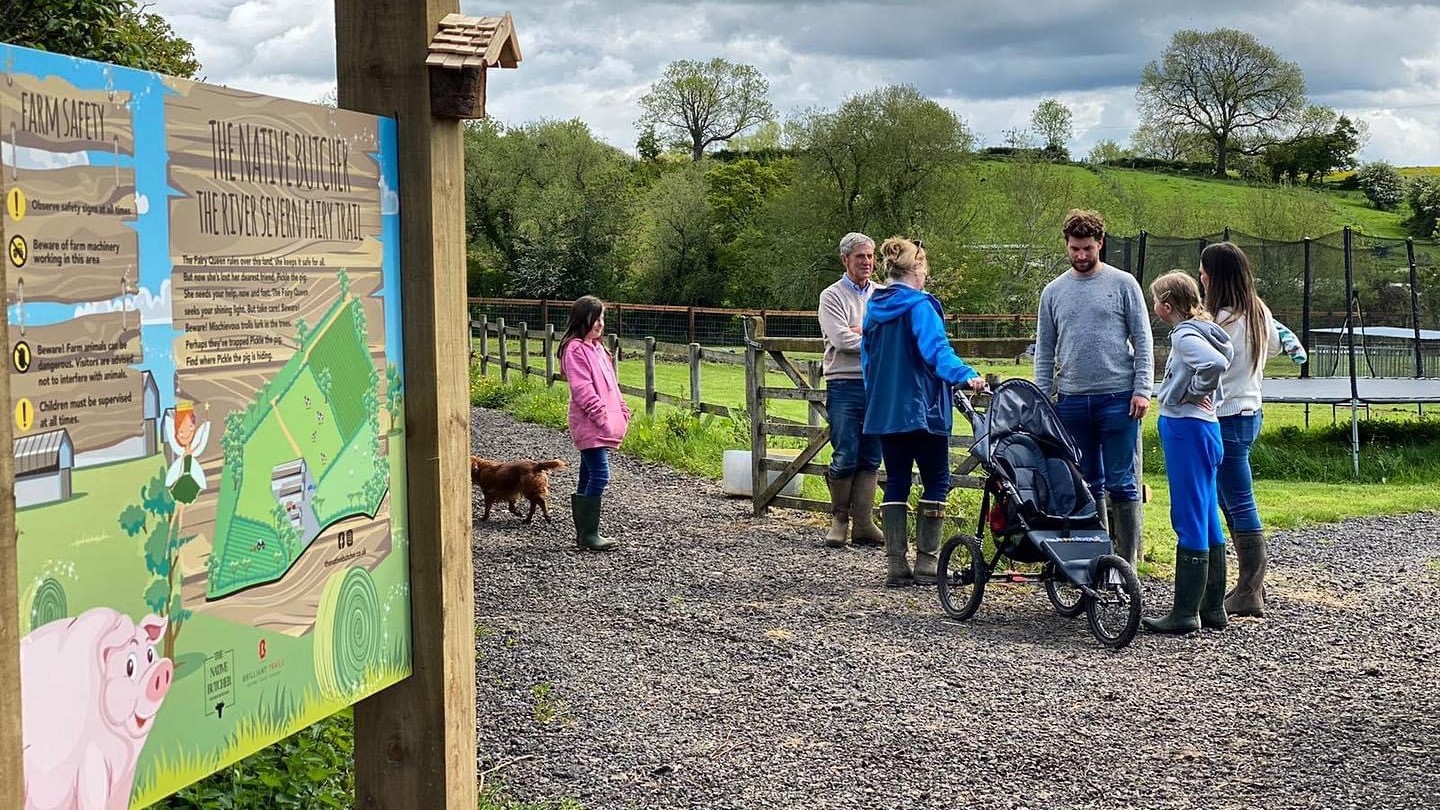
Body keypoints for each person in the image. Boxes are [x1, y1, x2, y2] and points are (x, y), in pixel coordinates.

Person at [862, 238, 987, 587]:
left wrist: (878, 399)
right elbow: (937, 351)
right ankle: (927, 564)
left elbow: (867, 362)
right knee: (936, 480)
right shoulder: (920, 306)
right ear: (917, 270)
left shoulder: (874, 307)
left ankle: (895, 565)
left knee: (897, 480)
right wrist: (966, 375)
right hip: (922, 409)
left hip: (886, 409)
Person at [1034, 209, 1154, 567]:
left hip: (1118, 398)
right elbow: (1045, 349)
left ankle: (1126, 565)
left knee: (1122, 482)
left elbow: (1143, 340)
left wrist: (1142, 388)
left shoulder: (1123, 284)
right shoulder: (1053, 292)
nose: (1081, 255)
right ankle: (1096, 559)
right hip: (1072, 399)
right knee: (1086, 482)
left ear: (1100, 243)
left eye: (1087, 248)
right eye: (1075, 249)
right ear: (1066, 246)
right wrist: (1042, 396)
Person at [1200, 242, 1308, 618]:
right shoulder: (1258, 310)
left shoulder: (1221, 321)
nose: (1201, 278)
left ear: (1215, 277)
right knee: (1229, 498)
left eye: (1204, 272)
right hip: (1251, 411)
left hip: (1227, 415)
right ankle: (1248, 586)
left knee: (1239, 501)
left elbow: (1207, 367)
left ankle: (1250, 590)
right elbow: (1275, 348)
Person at [1142, 271, 1234, 634]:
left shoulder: (1184, 335)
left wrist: (1192, 390)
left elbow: (1214, 364)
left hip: (1186, 428)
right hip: (1207, 427)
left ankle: (1184, 613)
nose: (1153, 305)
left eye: (1156, 300)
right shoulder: (1207, 329)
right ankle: (1212, 607)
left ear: (1166, 306)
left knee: (1188, 514)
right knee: (1207, 512)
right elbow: (1222, 357)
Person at [817, 232, 885, 548]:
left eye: (870, 256)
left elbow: (892, 333)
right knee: (845, 452)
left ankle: (864, 523)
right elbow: (842, 340)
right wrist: (874, 334)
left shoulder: (883, 294)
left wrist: (861, 330)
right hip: (844, 382)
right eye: (860, 256)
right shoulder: (831, 296)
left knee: (871, 454)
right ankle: (839, 520)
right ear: (845, 259)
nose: (867, 262)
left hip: (878, 383)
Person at [558, 296, 632, 552]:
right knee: (600, 475)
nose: (599, 324)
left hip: (602, 422)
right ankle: (589, 534)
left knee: (587, 474)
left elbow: (612, 386)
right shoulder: (575, 349)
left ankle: (584, 535)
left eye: (601, 318)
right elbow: (582, 389)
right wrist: (601, 416)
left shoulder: (599, 349)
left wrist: (622, 409)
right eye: (594, 318)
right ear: (582, 320)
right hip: (589, 423)